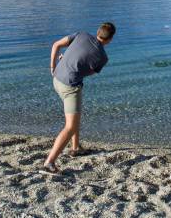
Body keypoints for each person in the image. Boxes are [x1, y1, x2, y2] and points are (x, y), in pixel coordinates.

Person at [41, 22, 116, 174]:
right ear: (110, 39)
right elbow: (90, 72)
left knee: (76, 115)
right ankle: (49, 163)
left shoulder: (81, 35)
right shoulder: (102, 57)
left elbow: (56, 45)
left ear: (97, 32)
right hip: (70, 88)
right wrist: (75, 67)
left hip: (56, 79)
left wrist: (53, 67)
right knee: (70, 126)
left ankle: (75, 148)